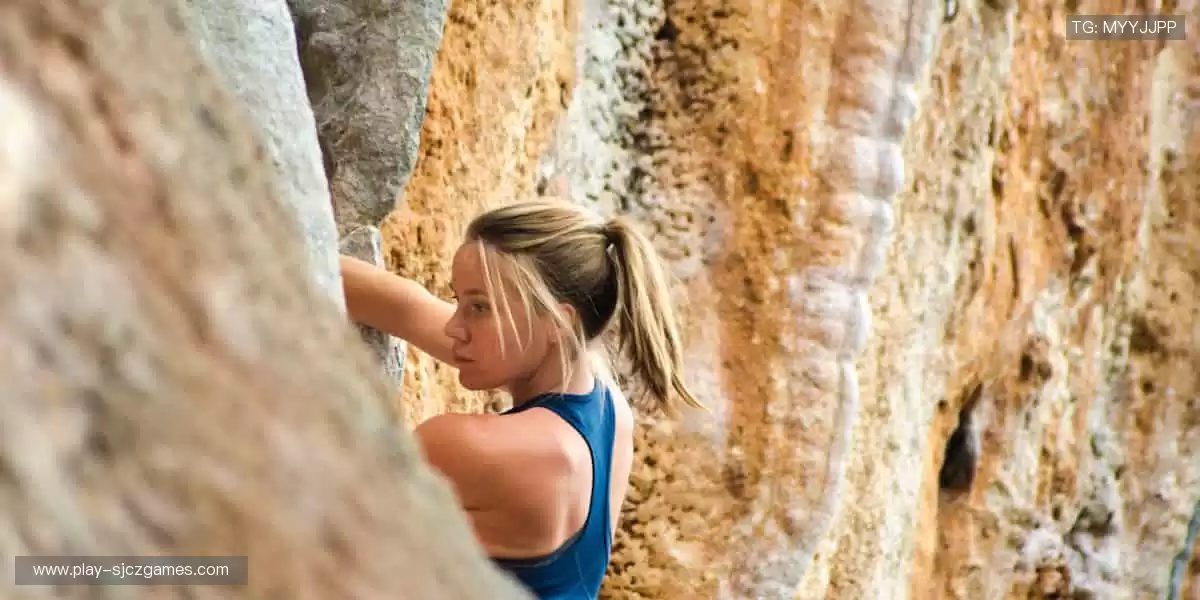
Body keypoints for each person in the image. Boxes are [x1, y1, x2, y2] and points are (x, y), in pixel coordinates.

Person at [338, 198, 703, 599]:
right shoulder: (610, 411)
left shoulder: (479, 448)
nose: (456, 327)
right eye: (458, 301)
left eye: (478, 307)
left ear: (559, 321)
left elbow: (314, 520)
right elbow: (409, 308)